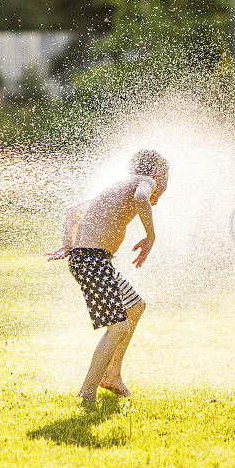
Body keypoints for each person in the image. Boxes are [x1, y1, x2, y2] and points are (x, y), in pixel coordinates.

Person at [46, 149, 169, 403]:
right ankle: (87, 391)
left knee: (135, 307)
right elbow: (141, 197)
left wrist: (69, 243)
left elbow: (72, 211)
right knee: (118, 326)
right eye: (165, 180)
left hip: (94, 259)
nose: (163, 187)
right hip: (92, 260)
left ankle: (112, 374)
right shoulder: (145, 181)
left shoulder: (117, 186)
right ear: (158, 173)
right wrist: (150, 236)